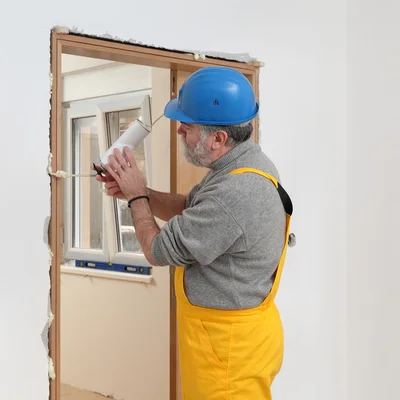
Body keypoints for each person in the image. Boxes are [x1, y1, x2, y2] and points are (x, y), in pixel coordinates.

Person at [96, 66, 294, 399]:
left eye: (186, 129)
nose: (179, 134)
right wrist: (140, 190)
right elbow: (192, 206)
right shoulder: (242, 165)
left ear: (218, 138)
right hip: (228, 338)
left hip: (228, 350)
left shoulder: (238, 191)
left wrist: (136, 197)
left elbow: (157, 250)